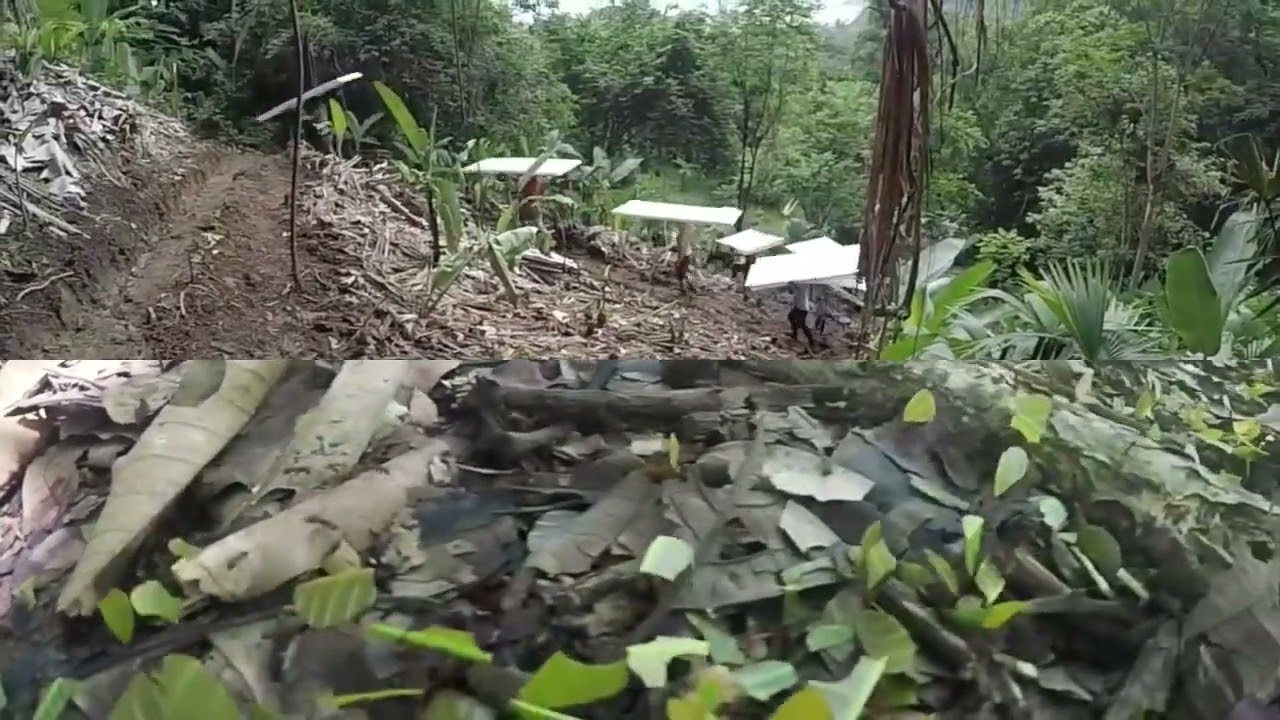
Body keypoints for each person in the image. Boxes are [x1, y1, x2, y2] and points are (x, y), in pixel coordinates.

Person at [786, 282, 816, 350]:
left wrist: (792, 285)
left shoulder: (802, 286)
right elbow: (792, 292)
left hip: (802, 308)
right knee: (791, 317)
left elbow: (794, 290)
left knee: (802, 324)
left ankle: (811, 341)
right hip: (799, 307)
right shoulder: (799, 286)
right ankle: (795, 334)